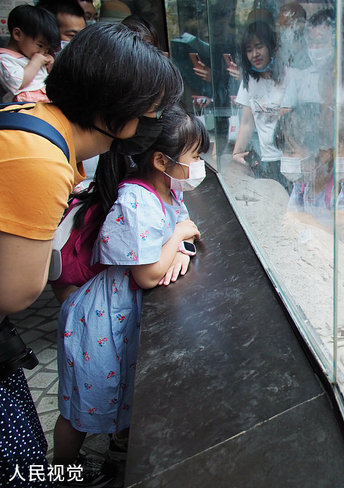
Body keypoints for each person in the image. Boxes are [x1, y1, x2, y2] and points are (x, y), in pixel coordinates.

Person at [0, 22, 182, 487]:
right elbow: (18, 292)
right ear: (113, 110)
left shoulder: (38, 116)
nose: (152, 123)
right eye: (151, 111)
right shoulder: (41, 159)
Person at [53, 105, 207, 482]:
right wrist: (179, 236)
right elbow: (148, 273)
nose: (199, 165)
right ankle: (60, 473)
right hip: (98, 322)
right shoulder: (134, 201)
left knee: (113, 393)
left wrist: (177, 247)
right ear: (160, 159)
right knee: (79, 410)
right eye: (195, 156)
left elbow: (166, 246)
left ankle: (113, 453)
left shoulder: (166, 189)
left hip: (117, 318)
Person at [231, 20, 291, 192]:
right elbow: (246, 123)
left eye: (259, 47)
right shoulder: (249, 81)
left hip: (288, 159)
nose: (255, 54)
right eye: (249, 50)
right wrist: (236, 154)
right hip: (266, 159)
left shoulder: (289, 76)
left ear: (271, 47)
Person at [0, 5, 59, 103]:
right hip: (25, 107)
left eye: (47, 49)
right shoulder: (5, 59)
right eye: (40, 45)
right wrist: (36, 63)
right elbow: (18, 83)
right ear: (18, 34)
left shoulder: (30, 55)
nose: (43, 52)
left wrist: (50, 67)